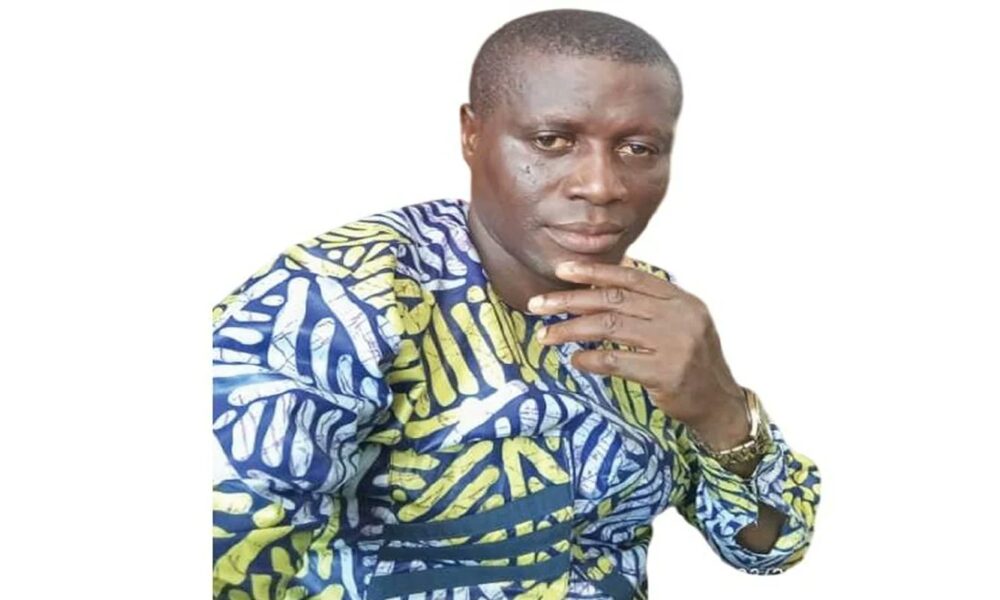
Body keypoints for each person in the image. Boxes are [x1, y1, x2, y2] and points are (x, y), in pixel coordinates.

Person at [212, 9, 821, 599]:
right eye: (552, 141)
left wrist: (719, 408)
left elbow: (769, 547)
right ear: (471, 134)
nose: (602, 186)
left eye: (638, 148)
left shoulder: (649, 310)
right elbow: (225, 555)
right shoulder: (340, 299)